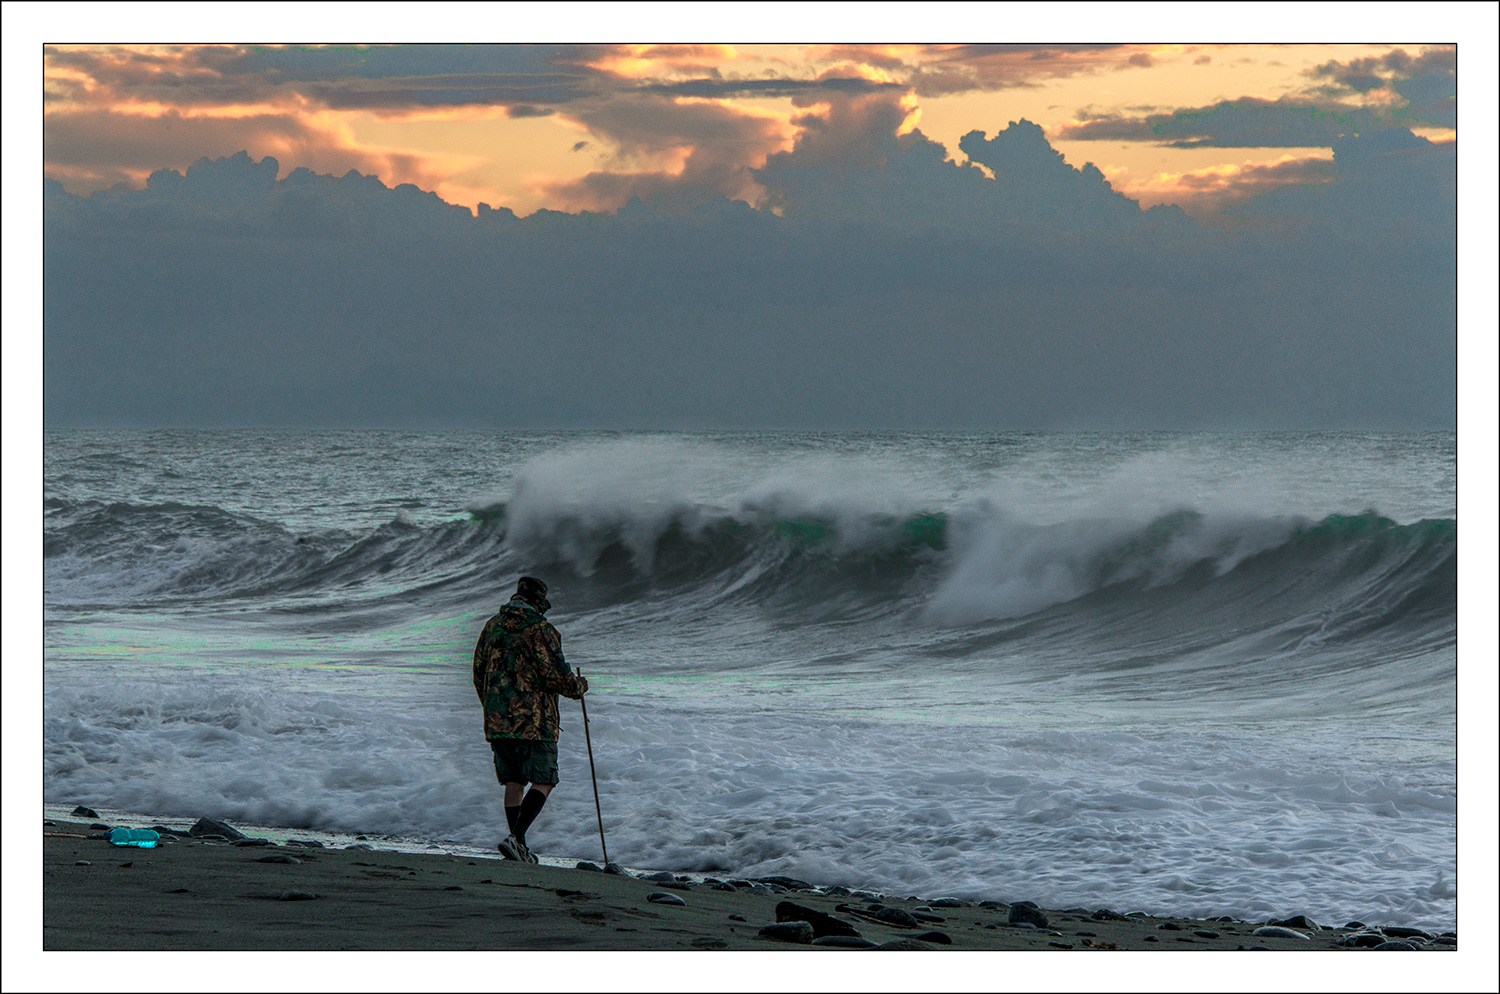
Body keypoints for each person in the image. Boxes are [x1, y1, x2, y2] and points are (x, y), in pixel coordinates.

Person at [472, 576, 587, 862]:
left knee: (514, 782)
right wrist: (579, 686)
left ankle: (518, 845)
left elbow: (478, 672)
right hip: (534, 723)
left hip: (497, 720)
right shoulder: (540, 630)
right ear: (538, 603)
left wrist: (493, 707)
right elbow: (555, 676)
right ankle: (515, 839)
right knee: (544, 780)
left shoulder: (491, 627)